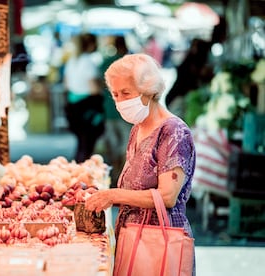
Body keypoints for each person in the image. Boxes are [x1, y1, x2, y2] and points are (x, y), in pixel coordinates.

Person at [84, 53, 196, 275]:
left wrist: (113, 195)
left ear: (149, 90)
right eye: (115, 94)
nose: (120, 101)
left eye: (126, 93)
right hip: (133, 235)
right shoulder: (138, 128)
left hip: (158, 240)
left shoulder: (173, 131)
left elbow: (167, 196)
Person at [63, 33, 105, 163]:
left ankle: (78, 167)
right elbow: (93, 88)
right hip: (88, 106)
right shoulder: (89, 62)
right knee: (87, 144)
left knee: (81, 142)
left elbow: (66, 84)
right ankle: (83, 171)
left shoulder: (71, 61)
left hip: (72, 104)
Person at [99, 35, 132, 188]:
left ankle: (114, 177)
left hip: (109, 110)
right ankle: (123, 179)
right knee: (127, 147)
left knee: (113, 146)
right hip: (126, 112)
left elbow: (99, 82)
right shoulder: (130, 65)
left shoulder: (107, 62)